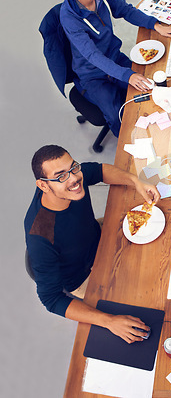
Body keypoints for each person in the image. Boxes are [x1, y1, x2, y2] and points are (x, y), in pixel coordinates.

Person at [24, 145, 160, 343]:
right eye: (60, 176)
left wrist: (136, 182)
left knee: (157, 231)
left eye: (73, 168)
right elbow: (51, 300)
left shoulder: (75, 177)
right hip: (83, 275)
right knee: (144, 298)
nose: (73, 179)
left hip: (96, 236)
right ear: (43, 186)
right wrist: (109, 321)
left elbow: (99, 170)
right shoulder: (41, 236)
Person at [60, 0, 171, 137]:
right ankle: (128, 148)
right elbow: (92, 55)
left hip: (114, 58)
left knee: (152, 89)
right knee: (117, 114)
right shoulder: (69, 17)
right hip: (92, 75)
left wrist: (156, 26)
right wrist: (127, 75)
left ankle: (163, 135)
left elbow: (124, 9)